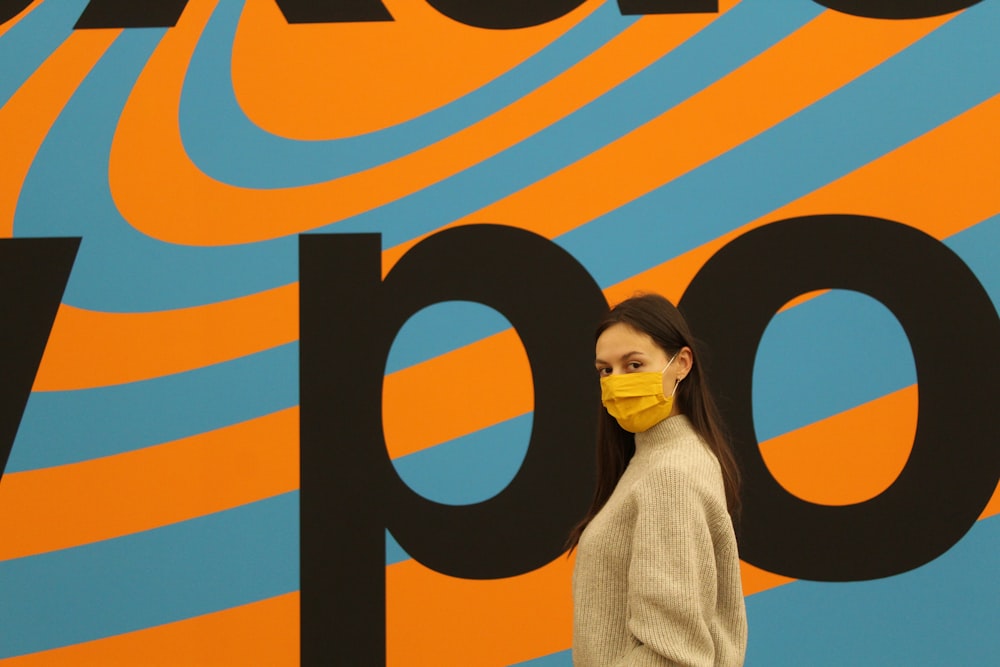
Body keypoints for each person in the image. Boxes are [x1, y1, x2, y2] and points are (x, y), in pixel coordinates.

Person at [567, 293, 747, 666]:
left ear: (681, 363)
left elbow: (673, 655)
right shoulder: (661, 459)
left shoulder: (670, 475)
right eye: (606, 370)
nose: (617, 382)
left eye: (633, 364)